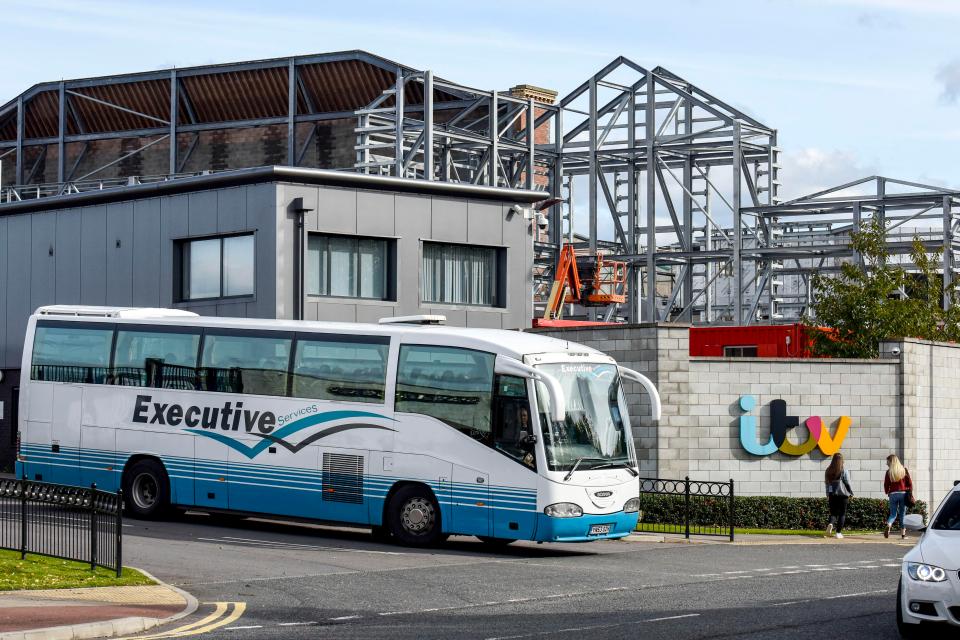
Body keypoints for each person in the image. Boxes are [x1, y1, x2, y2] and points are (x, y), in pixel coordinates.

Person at [884, 454, 913, 539]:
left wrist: (887, 492)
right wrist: (910, 492)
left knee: (893, 514)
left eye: (887, 461)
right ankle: (903, 535)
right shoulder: (904, 470)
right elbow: (910, 483)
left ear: (891, 462)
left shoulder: (888, 472)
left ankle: (889, 525)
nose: (886, 463)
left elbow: (886, 484)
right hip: (903, 494)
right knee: (902, 515)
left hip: (893, 494)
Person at [824, 453, 853, 539]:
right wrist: (851, 492)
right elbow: (847, 483)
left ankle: (831, 524)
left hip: (832, 495)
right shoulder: (843, 470)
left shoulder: (828, 470)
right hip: (843, 495)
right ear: (842, 460)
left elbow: (827, 484)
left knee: (833, 513)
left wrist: (828, 494)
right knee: (842, 514)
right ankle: (838, 533)